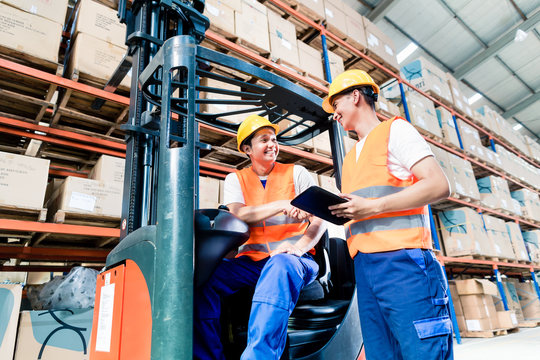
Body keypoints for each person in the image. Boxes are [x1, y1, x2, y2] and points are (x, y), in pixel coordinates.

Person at [322, 70, 453, 360]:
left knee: (423, 352)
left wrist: (371, 207)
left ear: (355, 96)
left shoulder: (396, 131)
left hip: (404, 264)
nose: (335, 114)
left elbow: (438, 184)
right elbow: (363, 206)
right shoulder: (351, 156)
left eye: (336, 105)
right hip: (366, 269)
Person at [193, 114, 327, 360]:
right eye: (264, 140)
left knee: (280, 264)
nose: (272, 145)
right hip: (250, 263)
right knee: (203, 277)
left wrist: (300, 247)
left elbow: (320, 218)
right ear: (247, 149)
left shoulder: (297, 173)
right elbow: (239, 214)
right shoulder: (237, 179)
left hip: (294, 260)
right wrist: (282, 204)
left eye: (274, 139)